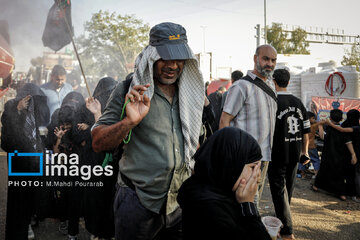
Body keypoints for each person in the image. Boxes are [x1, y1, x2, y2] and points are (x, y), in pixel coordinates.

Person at [92, 22, 205, 240]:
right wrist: (129, 122)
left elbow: (193, 142)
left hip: (180, 203)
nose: (173, 65)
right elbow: (98, 142)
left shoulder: (192, 93)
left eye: (179, 58)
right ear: (152, 56)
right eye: (165, 58)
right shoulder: (129, 90)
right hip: (137, 202)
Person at [177, 127, 271, 240]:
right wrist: (248, 208)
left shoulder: (208, 189)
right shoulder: (211, 212)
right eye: (253, 167)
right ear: (231, 164)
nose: (257, 176)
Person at [219, 44, 278, 205]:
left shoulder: (271, 85)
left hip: (264, 156)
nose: (270, 64)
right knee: (241, 201)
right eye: (266, 58)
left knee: (253, 199)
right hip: (244, 158)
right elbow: (225, 120)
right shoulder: (241, 86)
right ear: (255, 58)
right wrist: (229, 157)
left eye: (273, 60)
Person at [1, 83, 50, 240]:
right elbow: (6, 137)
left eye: (34, 98)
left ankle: (29, 221)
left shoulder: (40, 107)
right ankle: (18, 230)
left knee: (33, 194)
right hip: (19, 161)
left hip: (36, 159)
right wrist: (18, 109)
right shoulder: (11, 105)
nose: (31, 101)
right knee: (18, 198)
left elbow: (43, 127)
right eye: (27, 98)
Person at [267, 69, 310, 240]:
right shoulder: (298, 102)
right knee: (288, 189)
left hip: (278, 153)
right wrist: (304, 151)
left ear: (274, 81)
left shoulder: (273, 101)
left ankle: (287, 232)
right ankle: (283, 220)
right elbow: (306, 131)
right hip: (294, 152)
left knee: (279, 190)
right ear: (288, 81)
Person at [83, 77, 118, 239]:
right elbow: (97, 137)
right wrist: (96, 113)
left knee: (111, 200)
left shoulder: (120, 109)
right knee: (97, 198)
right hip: (96, 163)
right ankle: (97, 231)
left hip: (115, 166)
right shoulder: (89, 108)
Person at [313, 109, 357, 201]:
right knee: (338, 175)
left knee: (324, 171)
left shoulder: (329, 128)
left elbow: (322, 137)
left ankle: (316, 186)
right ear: (341, 119)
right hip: (339, 156)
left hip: (327, 155)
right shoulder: (343, 130)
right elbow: (348, 142)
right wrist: (353, 154)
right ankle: (341, 194)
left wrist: (320, 126)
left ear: (330, 118)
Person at [326, 110, 360, 202]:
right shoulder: (357, 127)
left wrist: (328, 123)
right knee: (354, 174)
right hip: (355, 153)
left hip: (343, 152)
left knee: (343, 172)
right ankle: (354, 194)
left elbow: (341, 131)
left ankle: (343, 191)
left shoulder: (344, 125)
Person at [297, 111, 324, 179]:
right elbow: (322, 136)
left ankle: (302, 174)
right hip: (311, 146)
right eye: (313, 118)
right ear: (309, 118)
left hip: (303, 146)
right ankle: (316, 174)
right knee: (315, 160)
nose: (314, 120)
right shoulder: (314, 125)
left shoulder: (302, 125)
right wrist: (321, 123)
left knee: (303, 160)